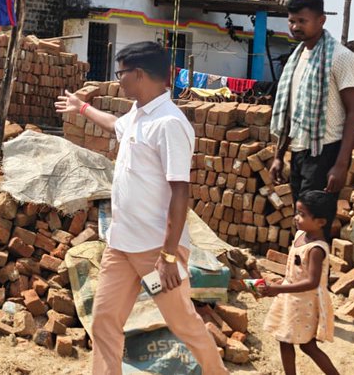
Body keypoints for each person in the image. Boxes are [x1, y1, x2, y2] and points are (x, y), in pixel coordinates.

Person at [56, 41, 228, 375]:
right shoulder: (139, 114)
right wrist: (81, 108)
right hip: (121, 244)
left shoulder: (169, 124)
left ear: (138, 74)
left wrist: (168, 256)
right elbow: (114, 124)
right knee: (105, 320)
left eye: (121, 73)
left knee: (183, 323)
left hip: (155, 250)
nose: (119, 80)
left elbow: (181, 192)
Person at [270, 0, 354, 196]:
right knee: (301, 218)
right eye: (291, 21)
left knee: (316, 223)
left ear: (321, 20)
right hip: (299, 150)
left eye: (302, 21)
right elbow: (290, 112)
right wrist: (279, 155)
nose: (295, 27)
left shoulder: (342, 58)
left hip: (325, 152)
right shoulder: (296, 58)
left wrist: (341, 165)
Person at [260, 190, 341, 375]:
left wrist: (278, 288)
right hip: (290, 297)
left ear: (321, 222)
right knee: (284, 338)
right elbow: (296, 269)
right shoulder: (300, 235)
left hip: (305, 302)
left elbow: (312, 282)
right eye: (297, 212)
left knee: (307, 346)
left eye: (302, 215)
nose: (296, 218)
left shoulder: (316, 249)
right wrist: (282, 283)